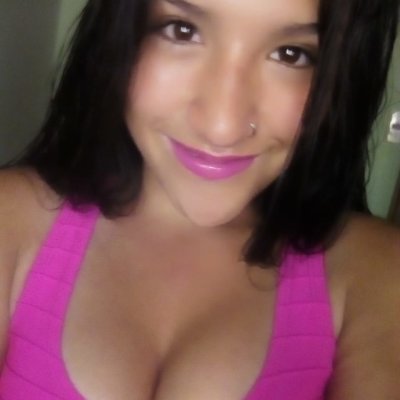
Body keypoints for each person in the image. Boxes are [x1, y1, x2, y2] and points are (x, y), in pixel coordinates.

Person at [0, 0, 399, 398]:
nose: (222, 127)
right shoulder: (12, 219)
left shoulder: (375, 273)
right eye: (182, 31)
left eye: (291, 54)